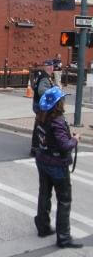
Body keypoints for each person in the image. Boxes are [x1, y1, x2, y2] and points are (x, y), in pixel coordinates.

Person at [34, 86, 82, 249]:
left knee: (44, 194)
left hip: (42, 160)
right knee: (64, 200)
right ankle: (63, 237)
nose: (63, 101)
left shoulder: (41, 116)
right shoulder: (58, 121)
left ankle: (43, 226)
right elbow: (64, 146)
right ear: (57, 104)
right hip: (56, 165)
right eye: (61, 99)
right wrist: (75, 139)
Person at [31, 60, 55, 157]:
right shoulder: (45, 77)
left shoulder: (42, 75)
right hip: (41, 105)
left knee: (39, 125)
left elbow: (34, 87)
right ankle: (35, 148)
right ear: (49, 67)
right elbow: (41, 90)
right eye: (52, 66)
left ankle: (37, 147)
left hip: (38, 104)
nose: (53, 68)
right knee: (39, 126)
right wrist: (53, 91)